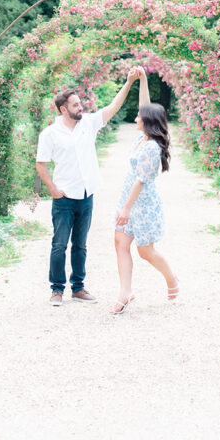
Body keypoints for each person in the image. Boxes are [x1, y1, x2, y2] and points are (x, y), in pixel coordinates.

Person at [36, 68, 141, 307]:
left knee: (81, 244)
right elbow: (40, 165)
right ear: (63, 110)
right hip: (63, 197)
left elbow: (113, 107)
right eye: (75, 105)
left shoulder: (89, 123)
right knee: (59, 244)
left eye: (80, 103)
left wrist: (128, 82)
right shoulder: (50, 134)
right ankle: (56, 289)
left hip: (86, 194)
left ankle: (79, 288)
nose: (80, 107)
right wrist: (53, 190)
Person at [112, 68, 179, 314]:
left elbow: (140, 181)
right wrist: (141, 79)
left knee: (145, 251)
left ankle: (171, 277)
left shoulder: (152, 148)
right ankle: (125, 292)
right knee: (120, 242)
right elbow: (145, 105)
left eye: (140, 116)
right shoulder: (142, 137)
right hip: (129, 199)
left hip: (141, 204)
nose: (136, 118)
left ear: (147, 122)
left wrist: (126, 209)